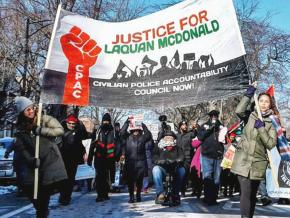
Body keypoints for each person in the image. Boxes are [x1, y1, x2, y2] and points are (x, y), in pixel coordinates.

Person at [14, 96, 67, 218]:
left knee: (43, 198)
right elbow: (21, 148)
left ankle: (42, 213)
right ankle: (42, 212)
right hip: (34, 167)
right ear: (22, 113)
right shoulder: (21, 129)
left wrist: (40, 130)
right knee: (34, 196)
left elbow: (60, 131)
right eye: (27, 110)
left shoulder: (44, 119)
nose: (31, 111)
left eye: (32, 108)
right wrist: (30, 160)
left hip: (49, 163)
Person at [231, 84, 277, 218]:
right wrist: (249, 93)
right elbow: (238, 111)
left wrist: (262, 128)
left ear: (270, 105)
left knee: (252, 195)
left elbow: (270, 144)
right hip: (243, 161)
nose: (263, 104)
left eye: (266, 102)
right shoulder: (249, 116)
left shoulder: (271, 123)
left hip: (258, 164)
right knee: (245, 193)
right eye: (261, 101)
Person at [58, 114, 90, 205]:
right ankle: (62, 195)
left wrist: (79, 122)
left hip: (73, 159)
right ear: (67, 122)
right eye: (70, 123)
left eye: (73, 123)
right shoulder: (61, 131)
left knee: (70, 179)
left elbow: (85, 136)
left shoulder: (79, 131)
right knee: (62, 179)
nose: (72, 125)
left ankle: (66, 197)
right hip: (63, 158)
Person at [88, 113, 119, 202]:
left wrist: (117, 157)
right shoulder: (98, 131)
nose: (106, 122)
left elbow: (117, 145)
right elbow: (92, 145)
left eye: (107, 121)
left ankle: (105, 194)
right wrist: (90, 158)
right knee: (99, 177)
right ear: (102, 121)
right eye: (104, 121)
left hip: (110, 159)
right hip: (99, 158)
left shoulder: (113, 132)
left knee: (107, 178)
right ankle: (99, 195)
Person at [120, 118, 151, 203]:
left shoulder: (143, 137)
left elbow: (148, 135)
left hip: (141, 162)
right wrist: (127, 122)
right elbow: (122, 132)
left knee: (139, 181)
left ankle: (138, 195)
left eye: (137, 129)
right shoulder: (127, 137)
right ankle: (131, 196)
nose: (136, 131)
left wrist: (142, 124)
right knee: (130, 181)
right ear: (131, 130)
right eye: (134, 129)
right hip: (130, 162)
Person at [198, 110, 224, 205]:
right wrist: (209, 128)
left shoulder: (221, 126)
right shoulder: (204, 126)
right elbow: (200, 137)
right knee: (208, 177)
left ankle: (214, 197)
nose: (214, 117)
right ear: (209, 116)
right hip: (206, 155)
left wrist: (223, 130)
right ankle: (208, 197)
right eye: (212, 115)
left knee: (217, 178)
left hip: (218, 155)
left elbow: (226, 139)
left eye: (216, 115)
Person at [152, 130, 185, 206]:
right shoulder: (159, 147)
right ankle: (160, 193)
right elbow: (154, 157)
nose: (169, 139)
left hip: (174, 168)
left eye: (171, 137)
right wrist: (159, 161)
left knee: (182, 170)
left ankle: (175, 193)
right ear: (163, 138)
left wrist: (177, 160)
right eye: (167, 137)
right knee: (155, 169)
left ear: (174, 139)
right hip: (163, 169)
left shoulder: (177, 148)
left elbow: (182, 156)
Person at [176, 120, 196, 197]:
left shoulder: (190, 134)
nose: (185, 126)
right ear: (180, 126)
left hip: (187, 157)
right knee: (177, 174)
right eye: (183, 125)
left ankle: (183, 191)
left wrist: (195, 127)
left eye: (186, 125)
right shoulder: (176, 135)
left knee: (184, 174)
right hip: (177, 158)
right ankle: (177, 189)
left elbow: (196, 135)